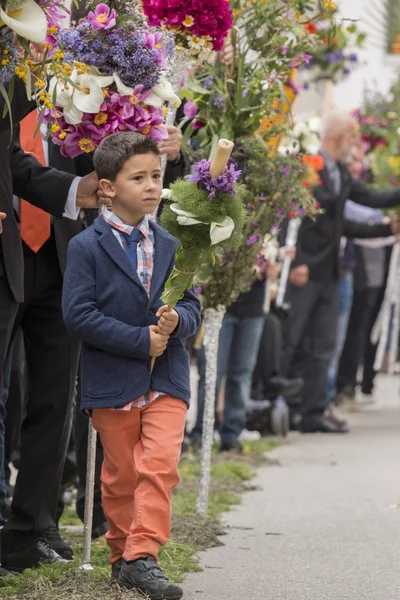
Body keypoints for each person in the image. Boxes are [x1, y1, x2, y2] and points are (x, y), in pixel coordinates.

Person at [62, 132, 201, 600]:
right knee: (121, 475)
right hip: (112, 379)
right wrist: (140, 340)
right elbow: (78, 315)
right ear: (106, 188)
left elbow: (192, 305)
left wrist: (176, 318)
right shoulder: (86, 247)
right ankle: (122, 554)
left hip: (167, 377)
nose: (149, 186)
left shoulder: (171, 243)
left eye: (155, 177)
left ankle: (143, 554)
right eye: (137, 177)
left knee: (158, 466)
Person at [0, 77, 101, 575]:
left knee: (55, 398)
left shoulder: (73, 74)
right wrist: (70, 189)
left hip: (60, 253)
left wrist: (158, 147)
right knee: (6, 394)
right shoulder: (8, 67)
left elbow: (92, 156)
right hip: (6, 245)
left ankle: (31, 527)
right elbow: (12, 159)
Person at [281, 111, 400, 434]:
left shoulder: (341, 174)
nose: (355, 144)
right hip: (307, 269)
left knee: (324, 344)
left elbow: (368, 201)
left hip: (332, 271)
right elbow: (295, 218)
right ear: (338, 137)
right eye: (352, 138)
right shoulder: (309, 166)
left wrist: (386, 226)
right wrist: (298, 261)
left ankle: (313, 411)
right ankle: (282, 406)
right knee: (293, 340)